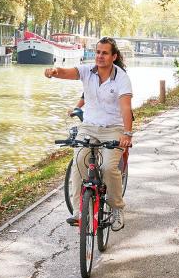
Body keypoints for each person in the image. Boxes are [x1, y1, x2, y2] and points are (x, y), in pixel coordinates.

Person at [45, 37, 133, 230]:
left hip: (113, 129)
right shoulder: (87, 71)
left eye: (105, 53)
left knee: (109, 168)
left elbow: (126, 108)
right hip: (88, 128)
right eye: (98, 52)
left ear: (113, 56)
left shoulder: (121, 78)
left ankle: (117, 208)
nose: (100, 56)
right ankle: (79, 211)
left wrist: (127, 134)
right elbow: (69, 72)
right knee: (78, 163)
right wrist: (54, 72)